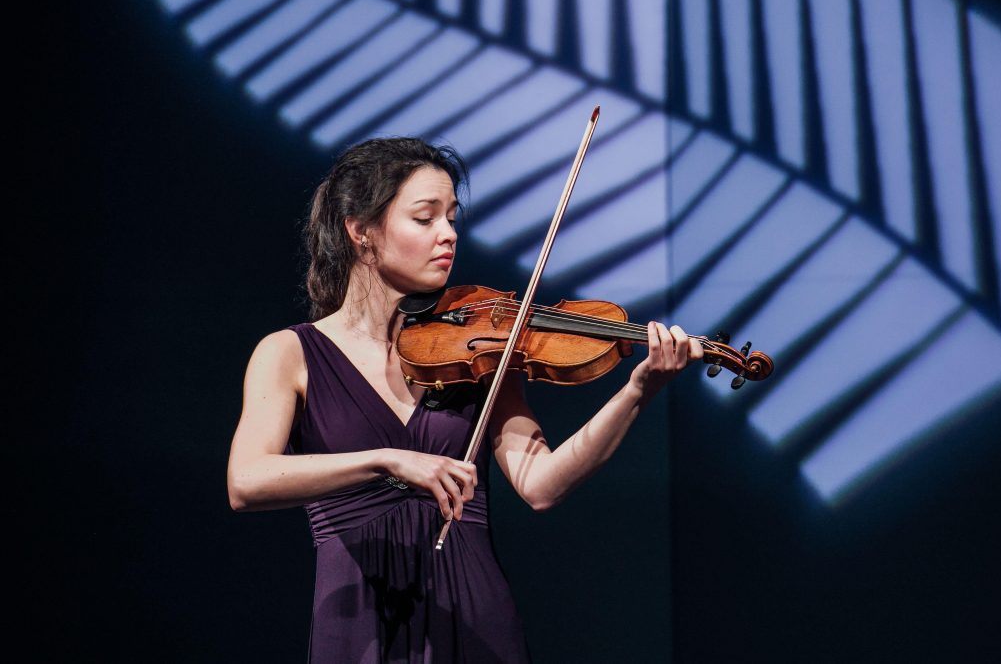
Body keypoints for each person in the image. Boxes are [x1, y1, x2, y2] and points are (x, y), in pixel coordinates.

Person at [226, 137, 703, 663]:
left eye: (452, 218)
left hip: (474, 614)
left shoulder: (480, 349)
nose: (448, 234)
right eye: (425, 218)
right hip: (357, 619)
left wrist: (637, 391)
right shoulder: (290, 353)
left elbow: (542, 485)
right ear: (361, 231)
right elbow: (246, 482)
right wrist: (386, 460)